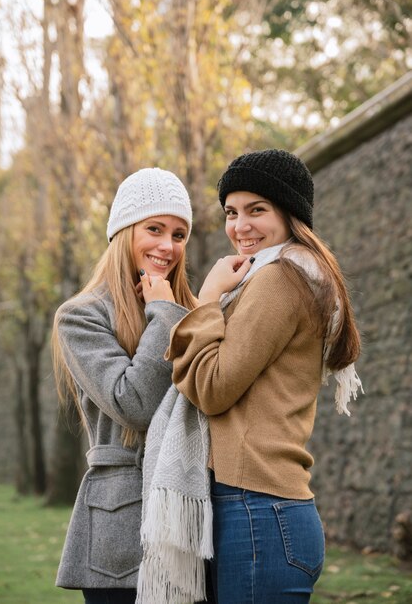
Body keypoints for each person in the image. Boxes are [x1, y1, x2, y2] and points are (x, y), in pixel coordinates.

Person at [165, 149, 363, 604]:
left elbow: (213, 390)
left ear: (290, 214)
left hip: (256, 510)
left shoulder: (277, 280)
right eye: (232, 212)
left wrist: (208, 299)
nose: (240, 226)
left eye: (257, 210)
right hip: (264, 512)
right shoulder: (286, 275)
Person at [52, 167, 197, 604]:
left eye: (178, 234)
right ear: (123, 232)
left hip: (189, 513)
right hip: (120, 529)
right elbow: (130, 402)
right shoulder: (81, 316)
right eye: (154, 229)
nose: (167, 246)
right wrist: (165, 316)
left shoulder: (184, 308)